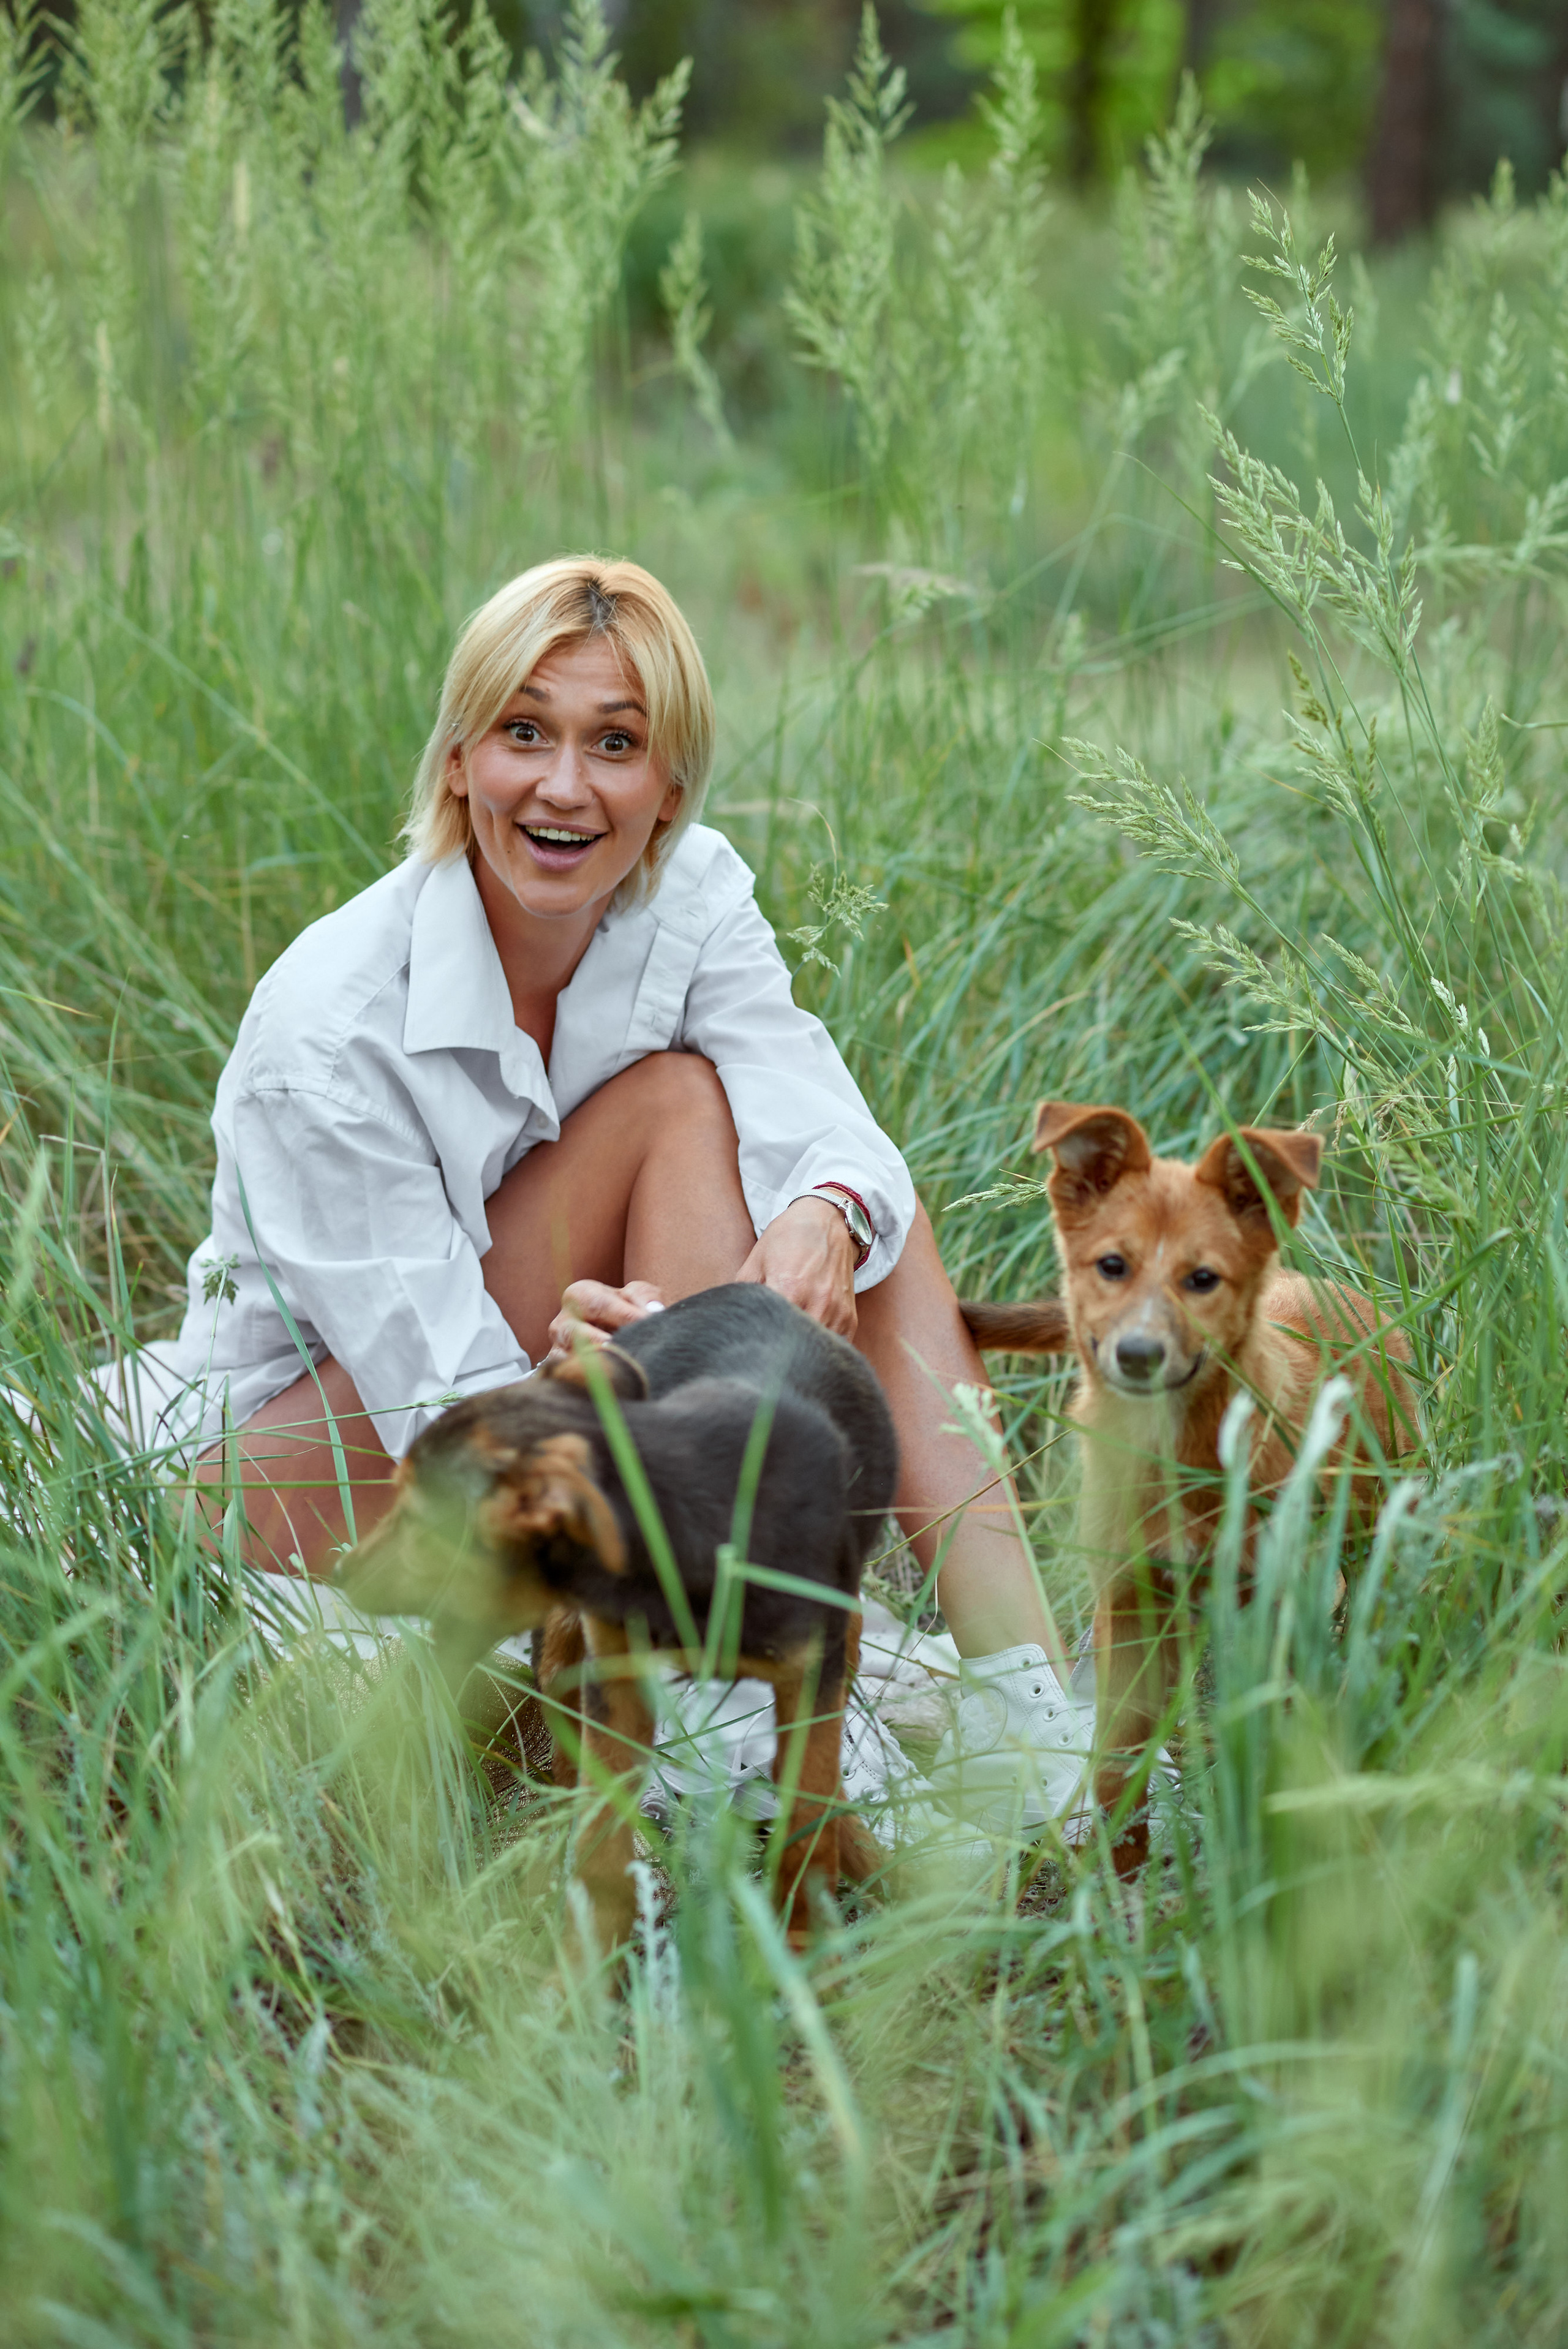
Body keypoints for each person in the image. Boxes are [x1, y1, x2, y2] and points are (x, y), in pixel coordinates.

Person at [159, 556, 1091, 1834]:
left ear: (669, 791)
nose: (563, 785)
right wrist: (584, 1384)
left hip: (553, 1392)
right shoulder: (328, 1034)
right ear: (457, 761)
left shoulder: (693, 895)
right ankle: (715, 1697)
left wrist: (821, 1217)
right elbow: (446, 1419)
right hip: (312, 1462)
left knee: (838, 1193)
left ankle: (1031, 1712)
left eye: (615, 743)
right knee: (679, 1108)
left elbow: (831, 1126)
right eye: (523, 733)